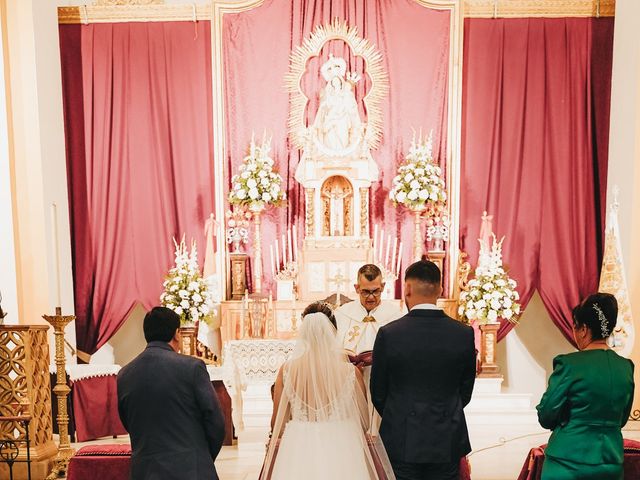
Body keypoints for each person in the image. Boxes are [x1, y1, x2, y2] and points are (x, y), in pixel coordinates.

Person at [260, 305, 395, 480]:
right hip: (342, 444)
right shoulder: (350, 372)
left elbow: (276, 423)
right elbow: (364, 421)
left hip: (299, 445)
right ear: (333, 331)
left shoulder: (286, 370)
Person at [371, 260, 476, 480]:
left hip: (402, 437)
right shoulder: (463, 334)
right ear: (439, 289)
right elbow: (465, 391)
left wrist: (400, 414)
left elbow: (378, 392)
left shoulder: (389, 334)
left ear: (407, 288)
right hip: (446, 436)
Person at [117, 307, 225, 480]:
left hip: (145, 472)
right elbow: (216, 422)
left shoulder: (124, 374)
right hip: (191, 470)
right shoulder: (192, 367)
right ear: (176, 334)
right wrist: (201, 456)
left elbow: (128, 422)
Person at [536, 292, 635, 480]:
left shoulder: (569, 364)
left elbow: (546, 415)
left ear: (583, 329)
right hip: (610, 462)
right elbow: (621, 418)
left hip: (567, 461)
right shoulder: (625, 367)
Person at [335, 263, 404, 434]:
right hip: (349, 382)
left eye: (376, 291)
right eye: (365, 291)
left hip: (385, 384)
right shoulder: (342, 314)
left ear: (383, 287)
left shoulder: (395, 315)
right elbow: (332, 349)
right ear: (357, 288)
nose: (371, 297)